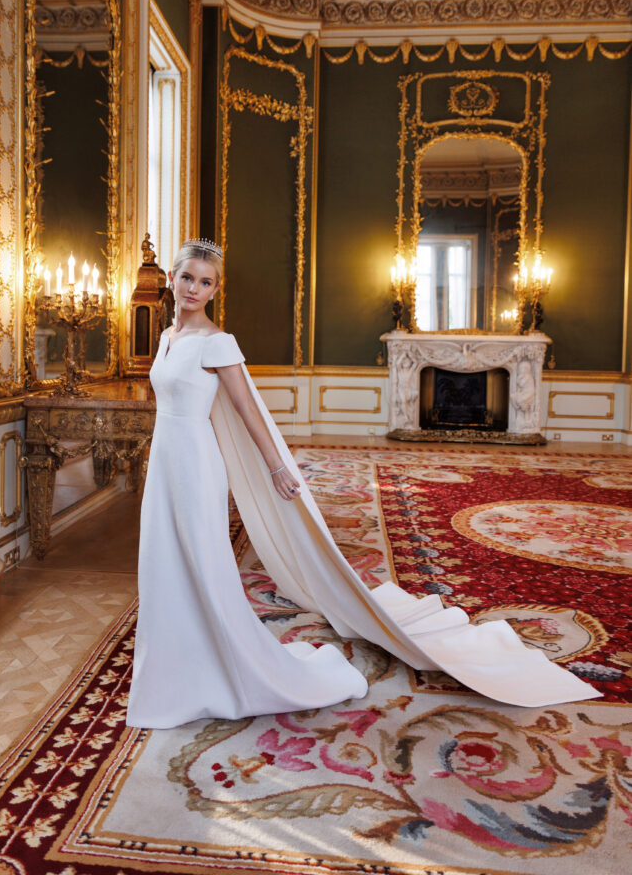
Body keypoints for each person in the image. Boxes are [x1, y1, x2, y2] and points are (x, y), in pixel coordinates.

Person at [126, 239, 600, 729]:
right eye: (187, 278)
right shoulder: (166, 337)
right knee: (165, 557)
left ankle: (224, 661)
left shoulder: (216, 342)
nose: (194, 289)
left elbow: (249, 412)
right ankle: (173, 660)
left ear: (216, 289)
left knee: (201, 560)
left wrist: (276, 467)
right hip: (165, 460)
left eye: (205, 282)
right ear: (173, 279)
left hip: (195, 464)